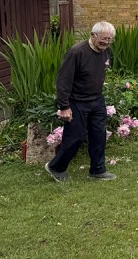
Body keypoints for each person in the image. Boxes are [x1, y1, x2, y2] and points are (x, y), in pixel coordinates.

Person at [45, 21, 117, 181]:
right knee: (75, 137)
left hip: (97, 100)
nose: (106, 43)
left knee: (99, 135)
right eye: (103, 39)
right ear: (93, 35)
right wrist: (64, 106)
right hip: (77, 102)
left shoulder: (106, 51)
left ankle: (98, 170)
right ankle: (56, 167)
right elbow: (63, 81)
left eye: (109, 39)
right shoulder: (77, 52)